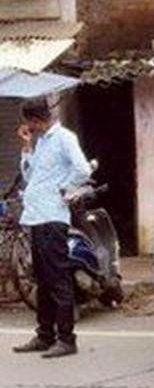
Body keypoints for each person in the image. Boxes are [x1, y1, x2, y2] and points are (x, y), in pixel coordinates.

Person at [10, 97, 91, 359]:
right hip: (35, 216)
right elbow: (30, 176)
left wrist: (63, 189)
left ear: (35, 119)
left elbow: (82, 168)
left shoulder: (64, 138)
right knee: (42, 280)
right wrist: (26, 147)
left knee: (57, 279)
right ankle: (45, 335)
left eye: (28, 123)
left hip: (52, 216)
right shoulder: (42, 141)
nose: (28, 127)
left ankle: (67, 339)